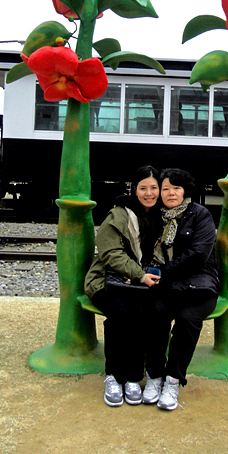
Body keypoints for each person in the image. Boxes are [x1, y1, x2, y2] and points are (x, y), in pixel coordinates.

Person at [84, 166, 163, 407]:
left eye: (154, 188)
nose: (149, 193)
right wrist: (140, 275)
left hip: (139, 284)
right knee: (121, 314)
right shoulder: (119, 214)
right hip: (107, 281)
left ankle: (133, 377)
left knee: (141, 313)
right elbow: (110, 253)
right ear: (134, 189)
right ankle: (114, 376)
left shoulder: (161, 216)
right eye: (143, 188)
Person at [142, 168, 219, 411]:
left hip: (198, 284)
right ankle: (155, 376)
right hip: (166, 285)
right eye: (165, 188)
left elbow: (198, 255)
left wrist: (163, 272)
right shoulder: (154, 216)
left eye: (176, 188)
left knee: (187, 320)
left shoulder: (200, 215)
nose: (171, 193)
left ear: (185, 191)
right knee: (155, 314)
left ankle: (173, 379)